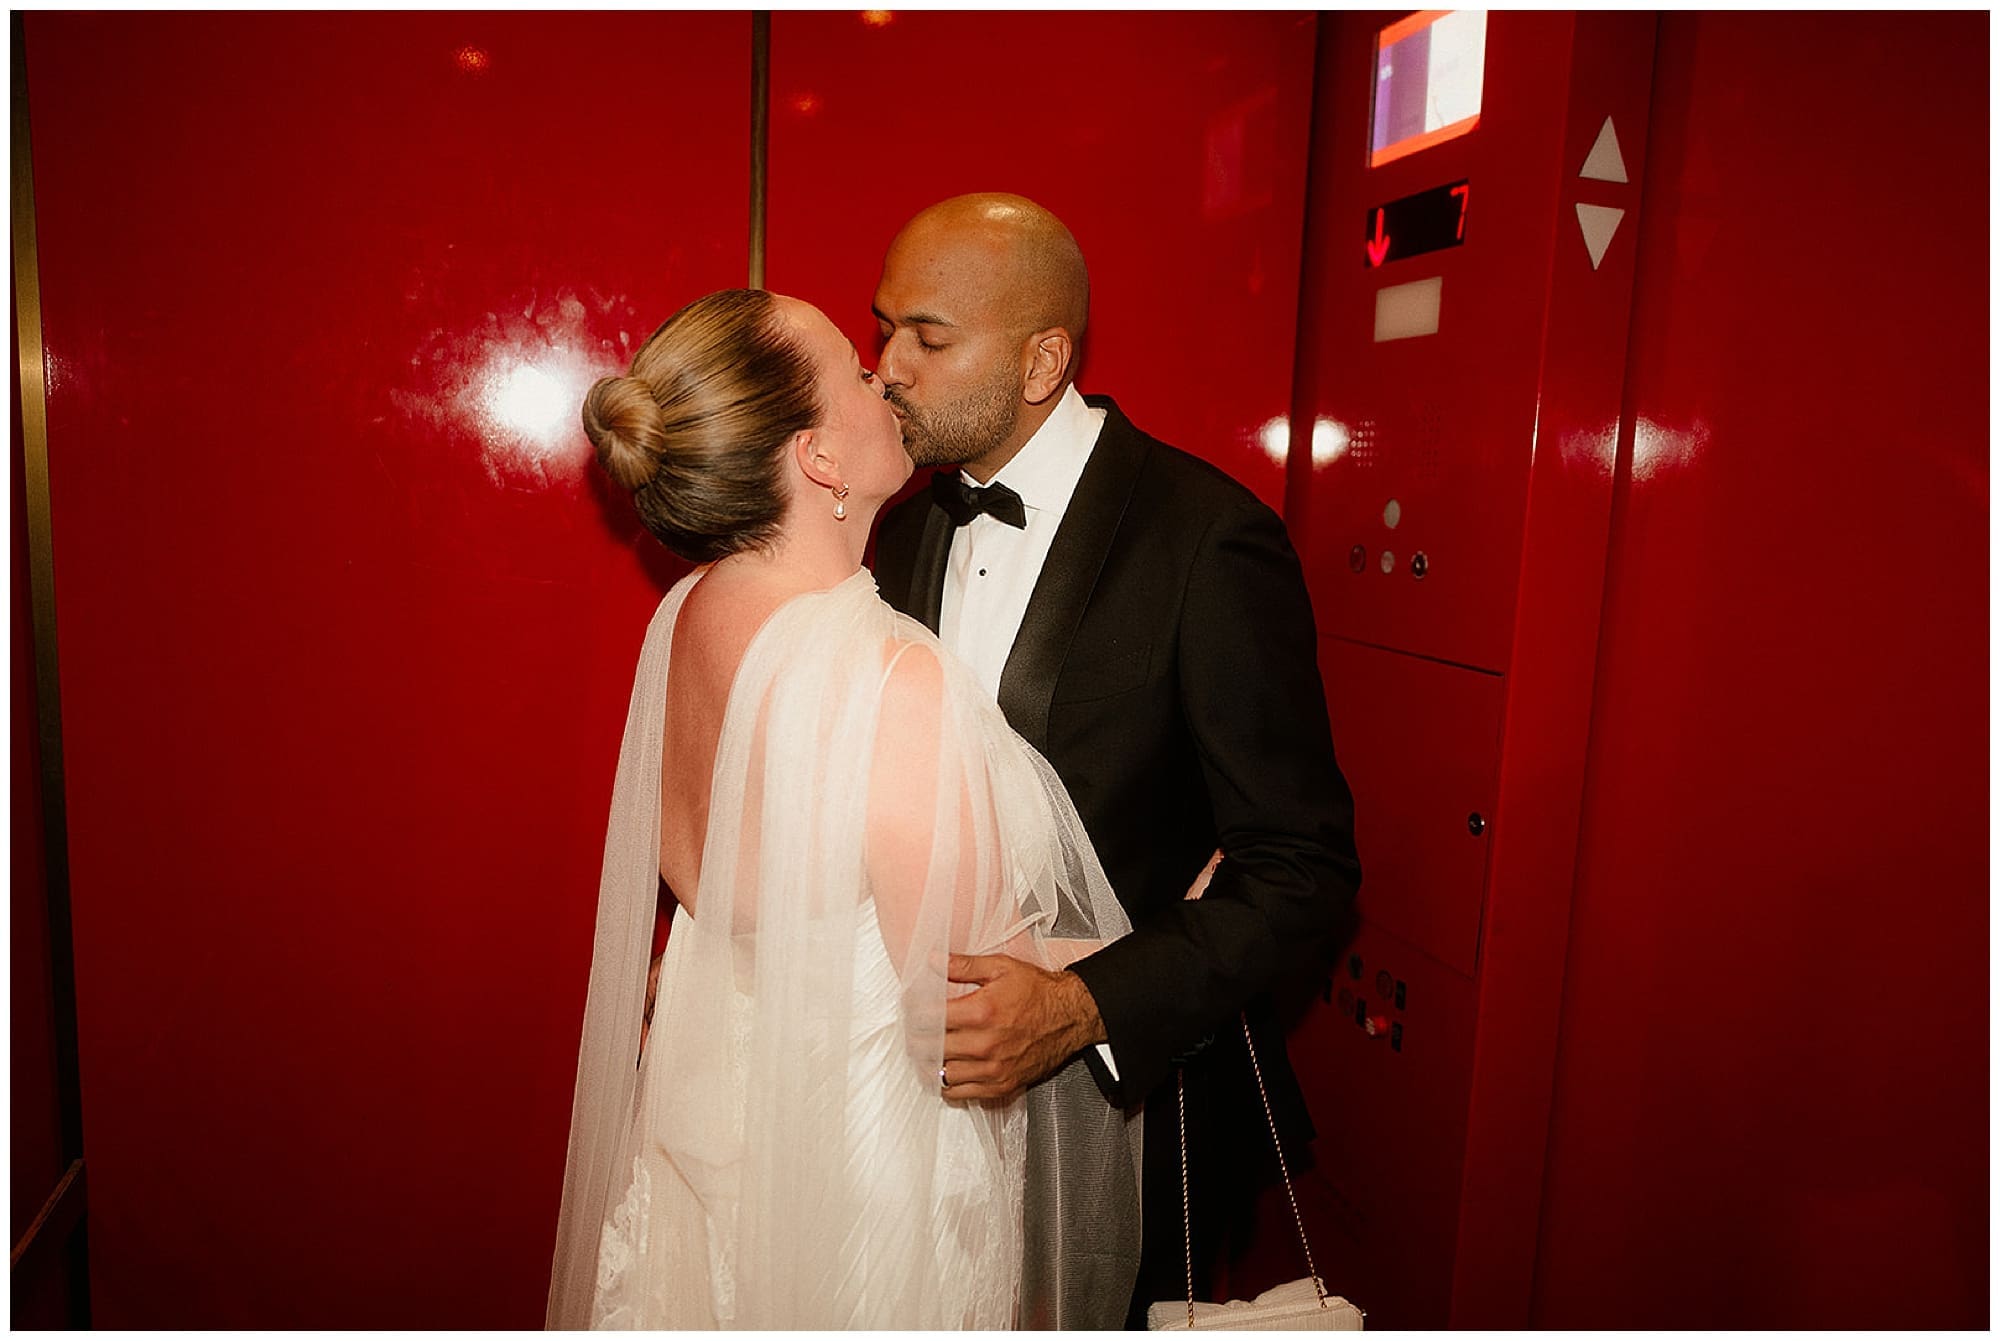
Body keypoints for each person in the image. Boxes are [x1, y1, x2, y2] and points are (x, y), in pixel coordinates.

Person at [544, 288, 1143, 1329]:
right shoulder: (889, 680)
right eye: (860, 373)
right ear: (818, 458)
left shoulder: (685, 614)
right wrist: (1168, 933)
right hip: (859, 1196)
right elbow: (968, 999)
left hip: (716, 1154)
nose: (888, 379)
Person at [870, 194, 1362, 1326]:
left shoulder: (1206, 537)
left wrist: (1081, 1006)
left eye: (927, 338)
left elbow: (1301, 864)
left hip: (1140, 1112)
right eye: (884, 328)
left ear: (1042, 361)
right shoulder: (902, 525)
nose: (886, 367)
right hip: (921, 1109)